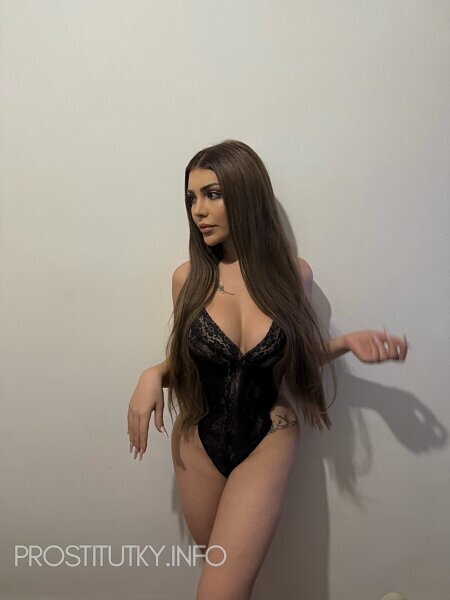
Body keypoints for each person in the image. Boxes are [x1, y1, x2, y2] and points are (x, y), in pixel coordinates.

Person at [127, 139, 408, 600]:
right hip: (197, 441)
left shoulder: (293, 274)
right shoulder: (187, 278)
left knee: (218, 594)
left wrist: (344, 344)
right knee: (227, 583)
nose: (199, 211)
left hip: (268, 435)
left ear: (246, 193)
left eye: (212, 194)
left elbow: (289, 357)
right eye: (191, 198)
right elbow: (193, 363)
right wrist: (152, 374)